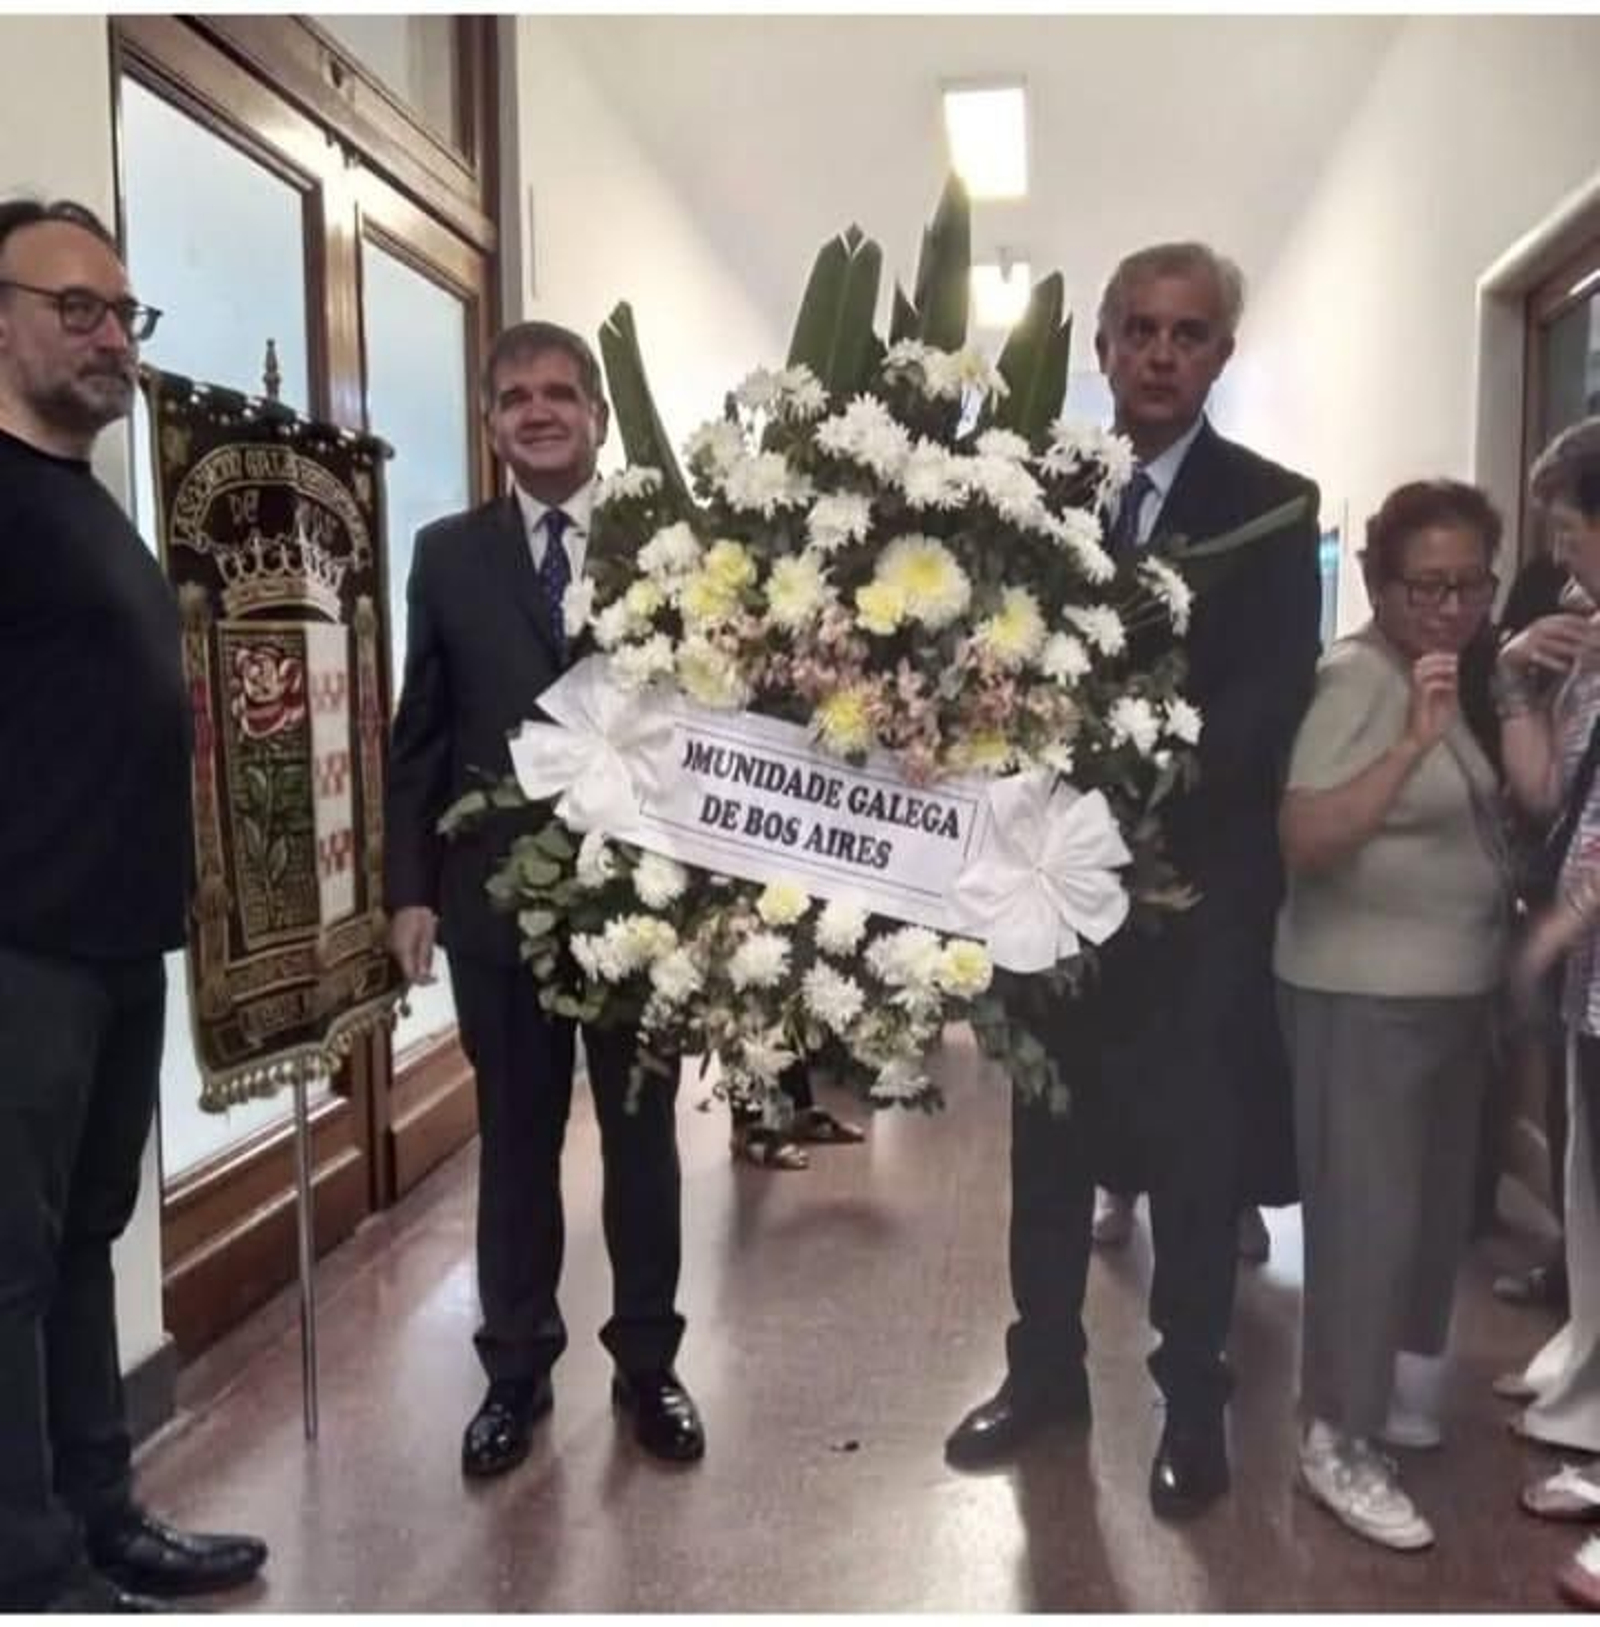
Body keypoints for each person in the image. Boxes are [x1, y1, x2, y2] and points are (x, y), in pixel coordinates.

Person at [945, 241, 1321, 1518]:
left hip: (1194, 895)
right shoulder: (1022, 495)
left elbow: (1268, 703)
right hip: (1038, 890)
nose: (1161, 354)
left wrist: (1127, 781)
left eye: (1191, 334)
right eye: (1140, 330)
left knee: (1194, 1155)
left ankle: (1192, 1396)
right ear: (1099, 344)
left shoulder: (1273, 506)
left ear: (1220, 353)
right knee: (1047, 1140)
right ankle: (1044, 1369)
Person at [0, 197, 268, 1609]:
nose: (111, 337)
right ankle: (30, 1570)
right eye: (76, 308)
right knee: (10, 1266)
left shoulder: (86, 496)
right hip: (20, 950)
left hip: (113, 941)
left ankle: (102, 1515)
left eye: (122, 313)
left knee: (88, 1235)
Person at [385, 320, 705, 1476]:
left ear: (597, 417)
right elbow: (419, 733)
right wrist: (407, 888)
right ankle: (513, 1372)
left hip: (643, 899)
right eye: (514, 396)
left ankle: (649, 1363)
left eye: (560, 394)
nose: (537, 412)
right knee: (515, 1144)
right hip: (494, 908)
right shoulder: (446, 554)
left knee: (641, 1141)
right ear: (489, 422)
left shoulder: (673, 546)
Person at [1275, 480, 1508, 1551]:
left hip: (1446, 997)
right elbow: (1308, 838)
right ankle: (1335, 1434)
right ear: (1376, 582)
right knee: (1365, 1221)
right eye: (1428, 586)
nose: (1451, 606)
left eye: (1470, 584)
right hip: (1361, 996)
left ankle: (1391, 1396)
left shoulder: (1453, 675)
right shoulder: (1354, 681)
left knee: (1420, 1218)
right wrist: (1411, 743)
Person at [1492, 418, 1600, 1604]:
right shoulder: (1587, 640)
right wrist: (1524, 679)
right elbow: (1545, 794)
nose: (1563, 565)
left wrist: (1561, 924)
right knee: (1592, 1210)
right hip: (1590, 989)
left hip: (1584, 955)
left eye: (1571, 532)